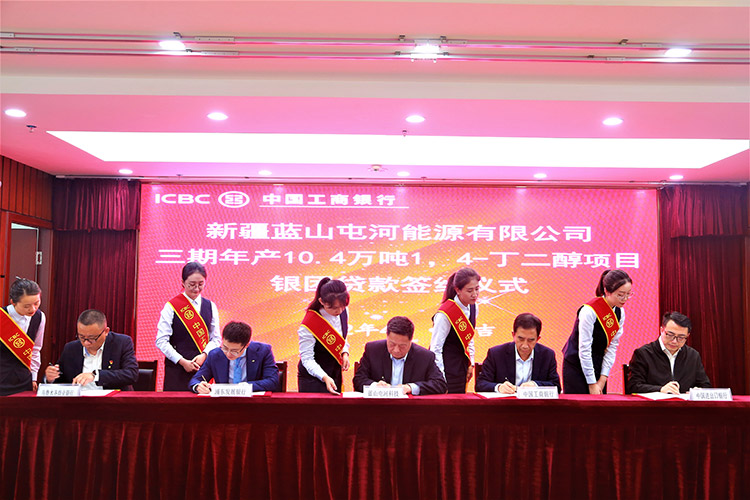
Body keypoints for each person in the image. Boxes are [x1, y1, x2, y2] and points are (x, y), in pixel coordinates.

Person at [562, 269, 632, 394]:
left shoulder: (620, 312)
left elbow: (612, 346)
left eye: (628, 294)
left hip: (598, 364)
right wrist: (592, 383)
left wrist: (602, 379)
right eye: (621, 294)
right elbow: (584, 349)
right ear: (607, 291)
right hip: (577, 364)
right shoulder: (589, 311)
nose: (625, 299)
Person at [156, 262, 221, 391]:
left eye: (201, 284)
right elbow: (161, 341)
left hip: (203, 368)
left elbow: (216, 339)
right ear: (183, 282)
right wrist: (182, 361)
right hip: (177, 370)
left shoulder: (210, 306)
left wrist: (204, 355)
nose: (196, 289)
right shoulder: (171, 306)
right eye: (192, 284)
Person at [45, 309, 138, 390]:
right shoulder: (71, 348)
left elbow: (131, 374)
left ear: (106, 331)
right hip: (78, 401)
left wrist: (95, 375)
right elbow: (61, 377)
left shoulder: (121, 343)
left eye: (92, 338)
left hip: (111, 401)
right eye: (81, 337)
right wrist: (50, 378)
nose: (86, 343)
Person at [353, 316, 447, 395]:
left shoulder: (424, 357)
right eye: (392, 344)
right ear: (387, 337)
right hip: (379, 407)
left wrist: (410, 387)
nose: (396, 350)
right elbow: (358, 380)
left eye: (402, 346)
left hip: (410, 408)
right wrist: (375, 385)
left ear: (410, 341)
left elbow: (440, 384)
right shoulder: (373, 350)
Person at [626, 312, 711, 394]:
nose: (674, 341)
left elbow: (705, 385)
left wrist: (698, 391)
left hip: (684, 403)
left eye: (681, 337)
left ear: (687, 336)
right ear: (661, 330)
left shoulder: (693, 356)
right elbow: (633, 386)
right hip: (655, 403)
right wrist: (660, 389)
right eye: (670, 335)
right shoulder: (643, 354)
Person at [476, 313, 561, 393]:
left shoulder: (547, 355)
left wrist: (536, 385)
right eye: (521, 339)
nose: (525, 345)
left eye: (531, 340)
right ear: (513, 335)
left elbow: (556, 386)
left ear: (538, 339)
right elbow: (480, 384)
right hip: (505, 403)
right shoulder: (496, 354)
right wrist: (499, 387)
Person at [190, 321, 279, 393]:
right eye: (225, 348)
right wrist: (198, 386)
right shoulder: (215, 354)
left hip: (253, 403)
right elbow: (196, 379)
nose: (228, 354)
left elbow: (272, 381)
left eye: (234, 351)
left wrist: (245, 387)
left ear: (246, 345)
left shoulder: (262, 351)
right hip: (223, 403)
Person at [430, 267, 481, 393]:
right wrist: (440, 379)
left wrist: (471, 363)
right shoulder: (445, 313)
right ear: (458, 290)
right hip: (446, 368)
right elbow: (436, 348)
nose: (474, 294)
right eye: (470, 290)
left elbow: (470, 337)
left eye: (477, 289)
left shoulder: (474, 307)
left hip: (461, 367)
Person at [297, 277, 351, 394]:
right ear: (322, 301)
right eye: (334, 308)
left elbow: (342, 336)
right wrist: (324, 377)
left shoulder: (343, 310)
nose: (339, 311)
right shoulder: (310, 323)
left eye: (342, 306)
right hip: (313, 378)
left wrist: (344, 352)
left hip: (334, 372)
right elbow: (307, 359)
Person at [0, 278, 45, 395]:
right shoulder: (2, 317)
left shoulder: (39, 317)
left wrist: (34, 377)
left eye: (36, 303)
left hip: (24, 379)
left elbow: (35, 349)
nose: (33, 309)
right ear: (13, 302)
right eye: (26, 306)